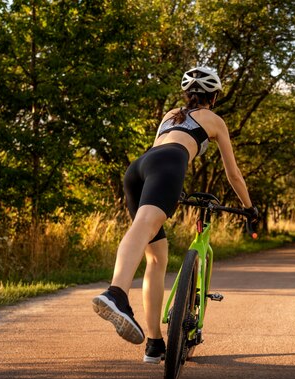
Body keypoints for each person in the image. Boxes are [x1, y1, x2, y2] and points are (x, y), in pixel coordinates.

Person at [92, 67, 257, 363]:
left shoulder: (170, 114)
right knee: (144, 228)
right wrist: (249, 208)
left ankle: (154, 343)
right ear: (214, 97)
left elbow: (164, 147)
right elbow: (233, 175)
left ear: (187, 94)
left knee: (155, 256)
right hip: (169, 165)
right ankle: (116, 293)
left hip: (139, 168)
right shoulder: (215, 120)